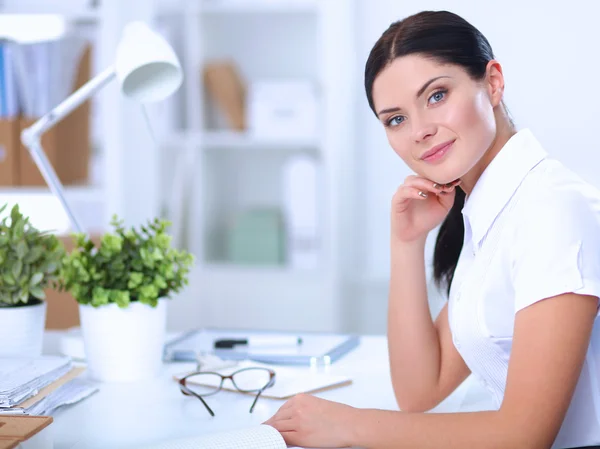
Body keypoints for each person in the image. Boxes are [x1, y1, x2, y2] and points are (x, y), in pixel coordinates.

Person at [264, 10, 600, 449]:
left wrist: (348, 425)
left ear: (493, 82)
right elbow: (422, 389)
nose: (420, 130)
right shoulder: (490, 212)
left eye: (437, 95)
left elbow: (524, 435)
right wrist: (406, 242)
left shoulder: (551, 208)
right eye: (396, 119)